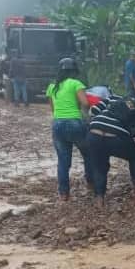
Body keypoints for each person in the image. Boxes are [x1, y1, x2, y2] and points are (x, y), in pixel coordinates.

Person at [87, 90, 135, 207]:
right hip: (116, 137)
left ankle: (99, 199)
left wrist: (101, 122)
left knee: (99, 166)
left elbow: (94, 110)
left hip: (94, 133)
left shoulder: (115, 98)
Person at [46, 57, 93, 201]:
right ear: (74, 71)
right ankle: (91, 183)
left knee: (63, 161)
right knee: (88, 154)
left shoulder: (52, 87)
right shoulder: (76, 83)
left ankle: (64, 193)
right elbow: (85, 103)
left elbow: (53, 109)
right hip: (74, 123)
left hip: (57, 124)